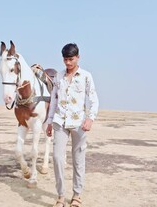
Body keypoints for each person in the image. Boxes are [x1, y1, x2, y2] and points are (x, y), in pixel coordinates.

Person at [46, 43, 99, 207]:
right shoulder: (58, 77)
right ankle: (61, 196)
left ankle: (76, 195)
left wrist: (90, 118)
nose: (68, 63)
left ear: (78, 58)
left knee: (78, 160)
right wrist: (49, 121)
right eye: (65, 59)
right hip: (60, 122)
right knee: (57, 158)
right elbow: (53, 100)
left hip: (79, 124)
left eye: (71, 59)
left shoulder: (86, 76)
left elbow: (93, 99)